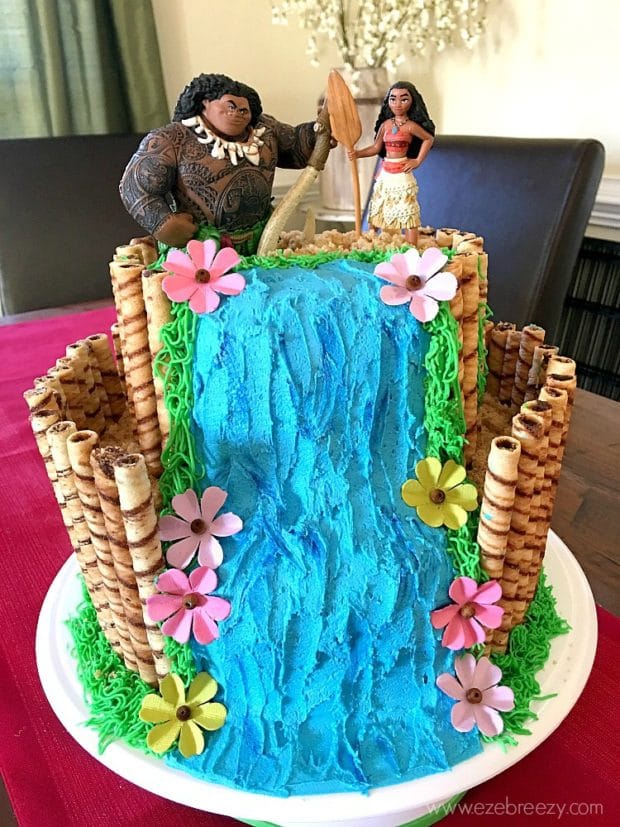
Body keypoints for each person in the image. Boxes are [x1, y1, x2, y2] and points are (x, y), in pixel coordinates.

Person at [120, 73, 320, 255]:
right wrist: (162, 224)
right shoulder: (172, 139)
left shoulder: (264, 131)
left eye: (245, 110)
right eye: (231, 106)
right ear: (205, 102)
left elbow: (296, 147)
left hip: (263, 244)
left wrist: (319, 131)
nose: (239, 113)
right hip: (199, 251)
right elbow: (133, 186)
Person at [348, 81, 435, 246]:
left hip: (402, 171)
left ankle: (411, 247)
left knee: (408, 209)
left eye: (404, 99)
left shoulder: (410, 127)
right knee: (379, 206)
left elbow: (428, 139)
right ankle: (373, 242)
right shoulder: (386, 125)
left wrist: (417, 160)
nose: (398, 104)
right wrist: (358, 154)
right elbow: (375, 147)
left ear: (412, 101)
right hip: (386, 172)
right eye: (393, 99)